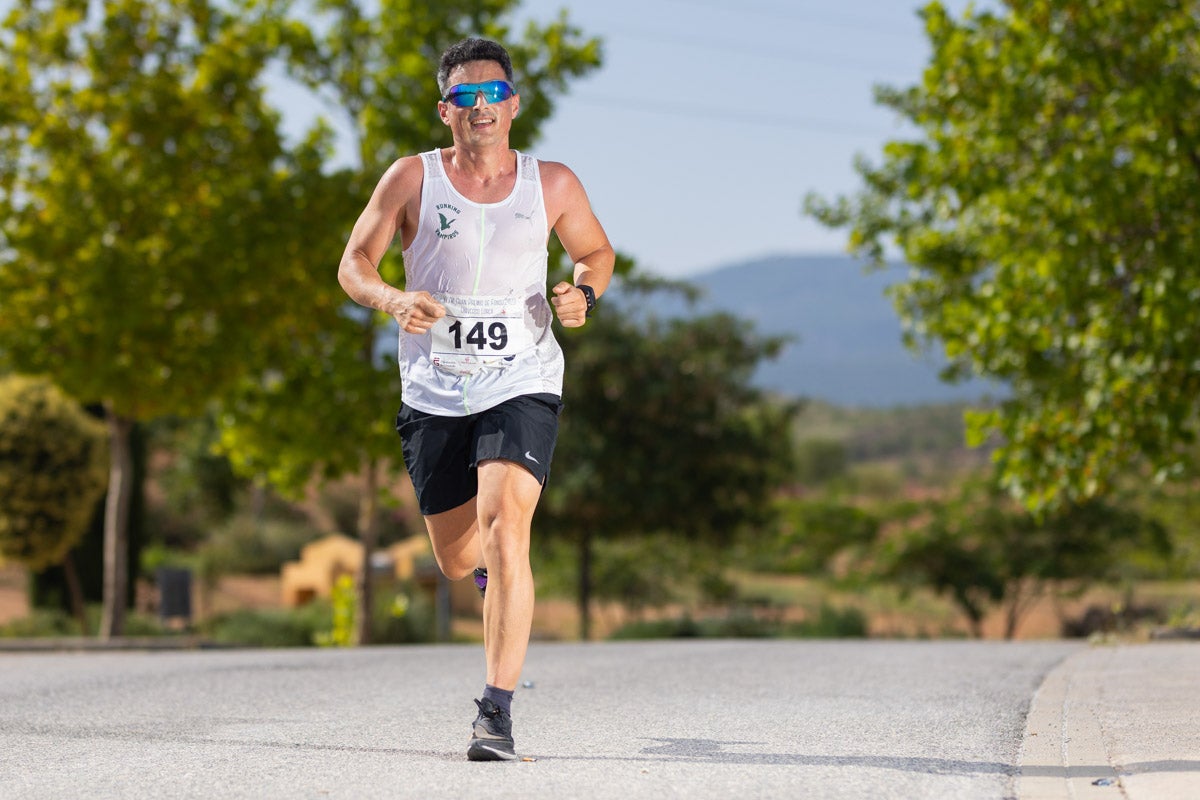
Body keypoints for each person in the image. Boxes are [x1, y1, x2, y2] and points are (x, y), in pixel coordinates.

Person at [336, 37, 614, 761]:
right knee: (459, 559)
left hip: (522, 378)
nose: (480, 107)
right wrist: (393, 298)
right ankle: (490, 574)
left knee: (506, 525)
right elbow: (353, 265)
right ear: (445, 111)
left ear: (514, 105)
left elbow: (596, 252)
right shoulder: (411, 179)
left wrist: (583, 293)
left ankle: (495, 712)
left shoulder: (550, 183)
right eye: (465, 97)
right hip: (434, 388)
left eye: (493, 94)